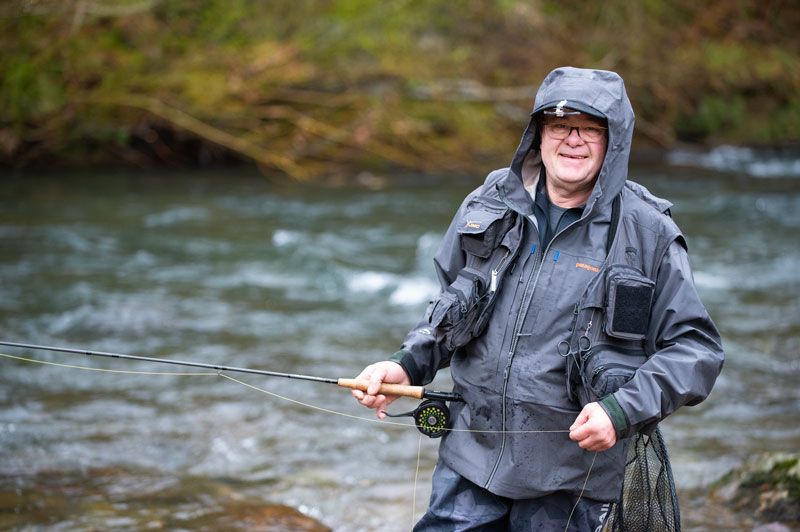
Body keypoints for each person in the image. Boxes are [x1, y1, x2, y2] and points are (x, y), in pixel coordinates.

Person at [352, 66, 724, 530]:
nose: (574, 139)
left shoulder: (648, 233)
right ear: (538, 134)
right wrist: (405, 363)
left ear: (615, 143)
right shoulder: (488, 204)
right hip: (471, 456)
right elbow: (449, 306)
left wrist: (620, 411)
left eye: (591, 128)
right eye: (560, 125)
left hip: (572, 479)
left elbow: (697, 350)